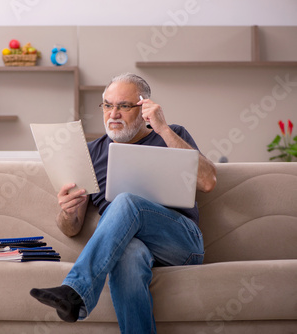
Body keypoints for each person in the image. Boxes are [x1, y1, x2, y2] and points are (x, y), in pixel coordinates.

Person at [30, 73, 217, 333]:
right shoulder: (91, 153)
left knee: (127, 201)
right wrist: (68, 211)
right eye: (107, 105)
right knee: (127, 255)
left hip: (182, 243)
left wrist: (162, 128)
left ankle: (76, 291)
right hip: (131, 246)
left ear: (143, 108)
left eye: (123, 106)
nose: (113, 114)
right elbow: (72, 228)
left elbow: (208, 182)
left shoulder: (173, 135)